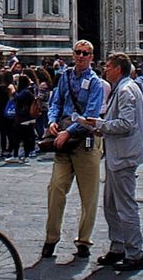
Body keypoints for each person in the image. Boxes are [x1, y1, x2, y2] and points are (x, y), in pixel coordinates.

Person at [81, 53, 143, 273]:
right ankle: (118, 247)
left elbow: (126, 124)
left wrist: (100, 125)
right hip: (117, 156)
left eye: (109, 66)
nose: (105, 70)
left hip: (124, 157)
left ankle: (135, 253)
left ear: (119, 69)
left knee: (125, 206)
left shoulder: (125, 90)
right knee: (111, 205)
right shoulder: (124, 87)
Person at [41, 40, 104, 261]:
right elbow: (56, 102)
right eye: (77, 52)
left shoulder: (95, 82)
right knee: (55, 188)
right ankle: (51, 237)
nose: (81, 56)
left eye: (85, 53)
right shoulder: (65, 76)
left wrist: (70, 131)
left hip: (85, 142)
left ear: (91, 57)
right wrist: (51, 121)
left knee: (89, 195)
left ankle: (84, 240)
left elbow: (92, 113)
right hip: (63, 141)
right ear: (72, 54)